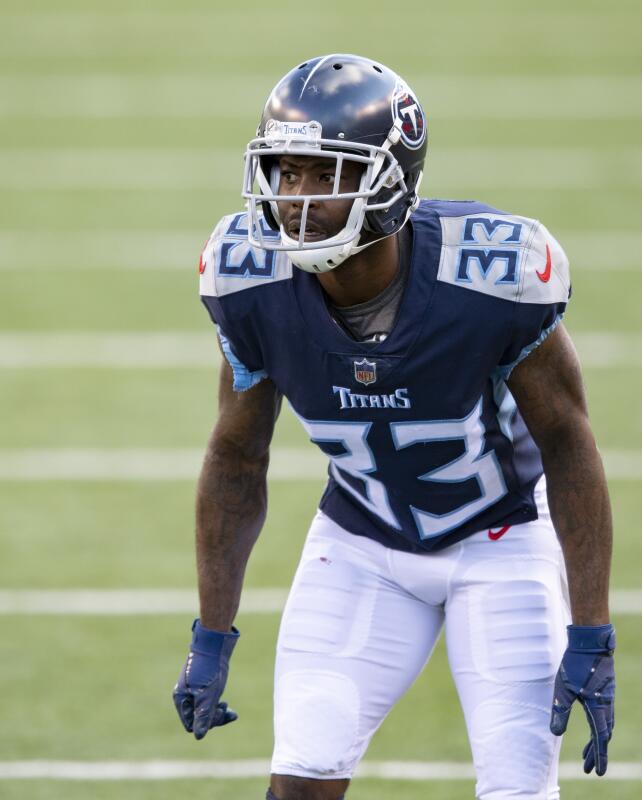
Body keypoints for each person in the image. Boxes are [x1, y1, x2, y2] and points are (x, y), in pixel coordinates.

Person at [173, 54, 616, 800]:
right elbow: (237, 455)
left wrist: (593, 628)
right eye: (284, 172)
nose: (297, 198)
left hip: (500, 539)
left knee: (518, 789)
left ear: (390, 181)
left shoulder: (490, 275)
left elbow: (569, 442)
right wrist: (212, 632)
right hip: (361, 541)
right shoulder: (250, 278)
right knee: (300, 781)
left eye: (325, 174)